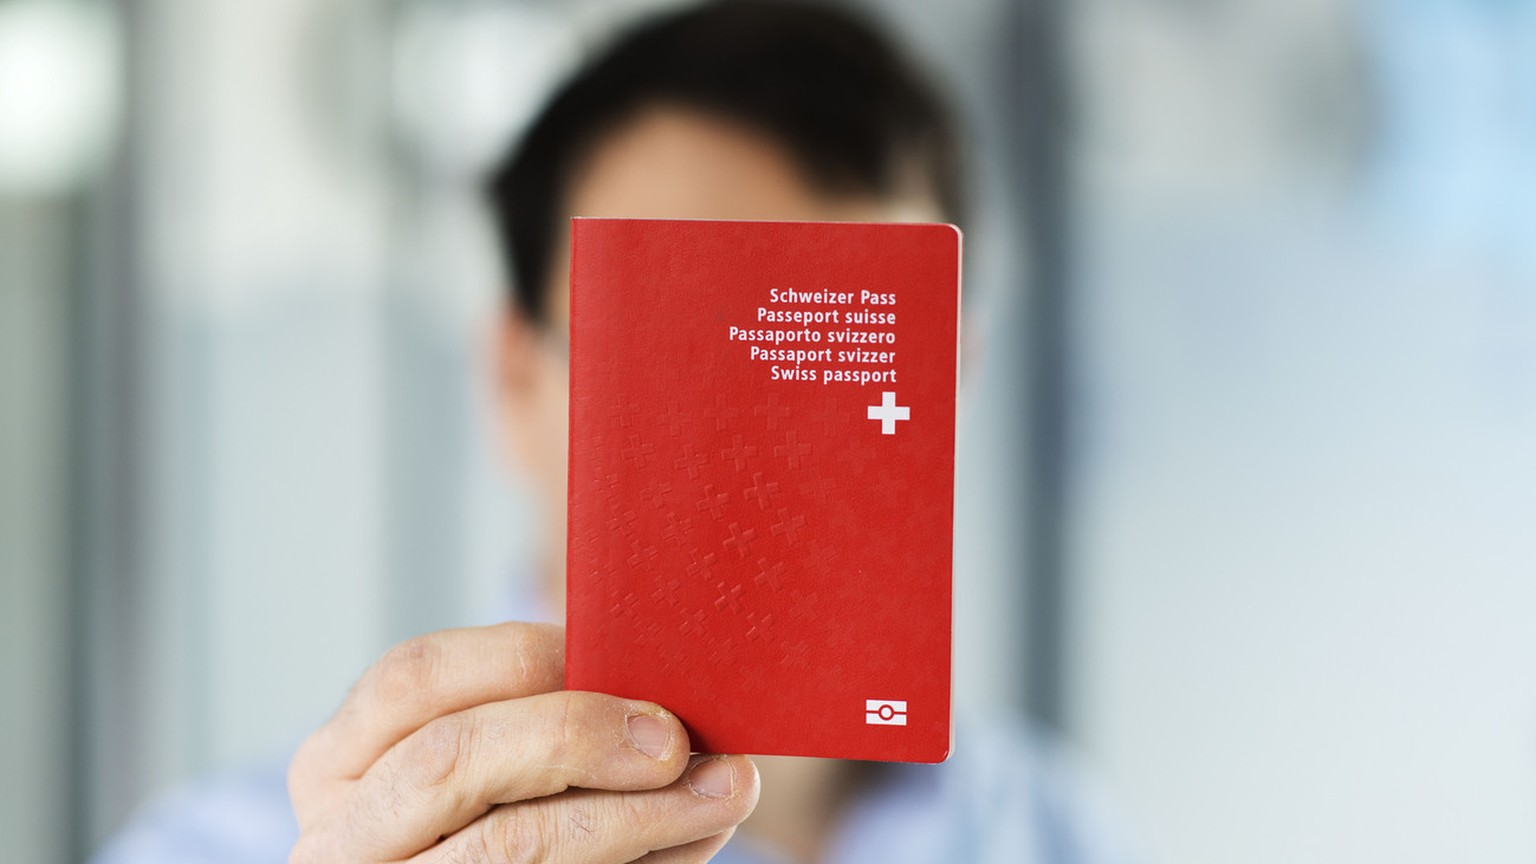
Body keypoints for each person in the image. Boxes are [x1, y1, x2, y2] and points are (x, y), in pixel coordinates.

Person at [93, 2, 1130, 862]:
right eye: (679, 359)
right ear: (513, 377)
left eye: (841, 357)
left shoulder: (1063, 834)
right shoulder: (221, 847)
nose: (767, 457)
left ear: (952, 385)